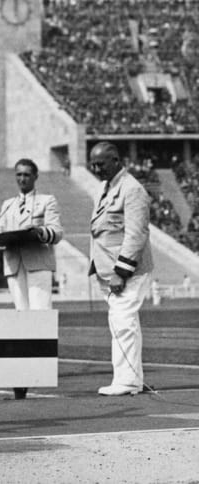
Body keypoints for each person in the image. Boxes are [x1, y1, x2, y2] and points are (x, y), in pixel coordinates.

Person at [0, 158, 63, 399]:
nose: (22, 179)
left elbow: (57, 232)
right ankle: (22, 376)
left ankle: (33, 371)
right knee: (20, 316)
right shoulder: (8, 205)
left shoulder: (46, 201)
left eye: (27, 175)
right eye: (19, 175)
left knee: (40, 314)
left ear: (35, 177)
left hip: (37, 261)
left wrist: (39, 232)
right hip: (14, 263)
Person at [89, 141, 154, 396]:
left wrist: (121, 271)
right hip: (110, 270)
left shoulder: (132, 189)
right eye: (93, 164)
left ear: (116, 160)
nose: (95, 169)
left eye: (100, 164)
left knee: (123, 322)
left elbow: (136, 234)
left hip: (129, 270)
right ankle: (131, 378)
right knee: (122, 322)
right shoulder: (105, 188)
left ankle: (127, 381)